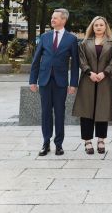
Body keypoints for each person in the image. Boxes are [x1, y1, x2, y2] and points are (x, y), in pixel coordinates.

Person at [28, 8, 79, 156]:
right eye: (52, 18)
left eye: (55, 18)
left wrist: (73, 83)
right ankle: (46, 143)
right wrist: (33, 80)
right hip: (44, 80)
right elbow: (36, 60)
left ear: (64, 20)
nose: (52, 20)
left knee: (59, 113)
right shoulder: (44, 37)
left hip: (61, 82)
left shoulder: (71, 39)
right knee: (45, 113)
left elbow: (75, 64)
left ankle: (59, 144)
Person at [73, 16, 112, 155]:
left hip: (105, 80)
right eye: (96, 25)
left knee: (102, 110)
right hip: (88, 80)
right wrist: (90, 72)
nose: (98, 27)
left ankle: (101, 140)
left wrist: (104, 73)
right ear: (92, 27)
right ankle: (87, 141)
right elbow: (81, 60)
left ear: (106, 27)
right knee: (86, 110)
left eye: (101, 25)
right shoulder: (84, 43)